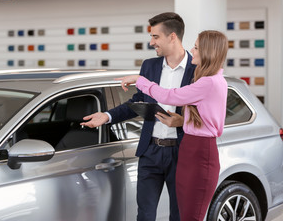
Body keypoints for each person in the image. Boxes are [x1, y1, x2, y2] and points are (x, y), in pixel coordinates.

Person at [81, 12, 196, 221]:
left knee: (180, 215)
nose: (151, 42)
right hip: (150, 151)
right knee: (144, 215)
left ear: (172, 36)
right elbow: (137, 102)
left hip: (182, 152)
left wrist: (184, 121)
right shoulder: (149, 66)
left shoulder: (198, 70)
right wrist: (107, 116)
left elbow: (207, 113)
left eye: (155, 37)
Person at [116, 30, 228, 221]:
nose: (192, 50)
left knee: (191, 216)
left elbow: (170, 96)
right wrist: (183, 121)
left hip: (200, 153)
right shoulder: (211, 81)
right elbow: (207, 118)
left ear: (208, 52)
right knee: (185, 214)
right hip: (190, 150)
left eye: (197, 47)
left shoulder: (209, 83)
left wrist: (140, 81)